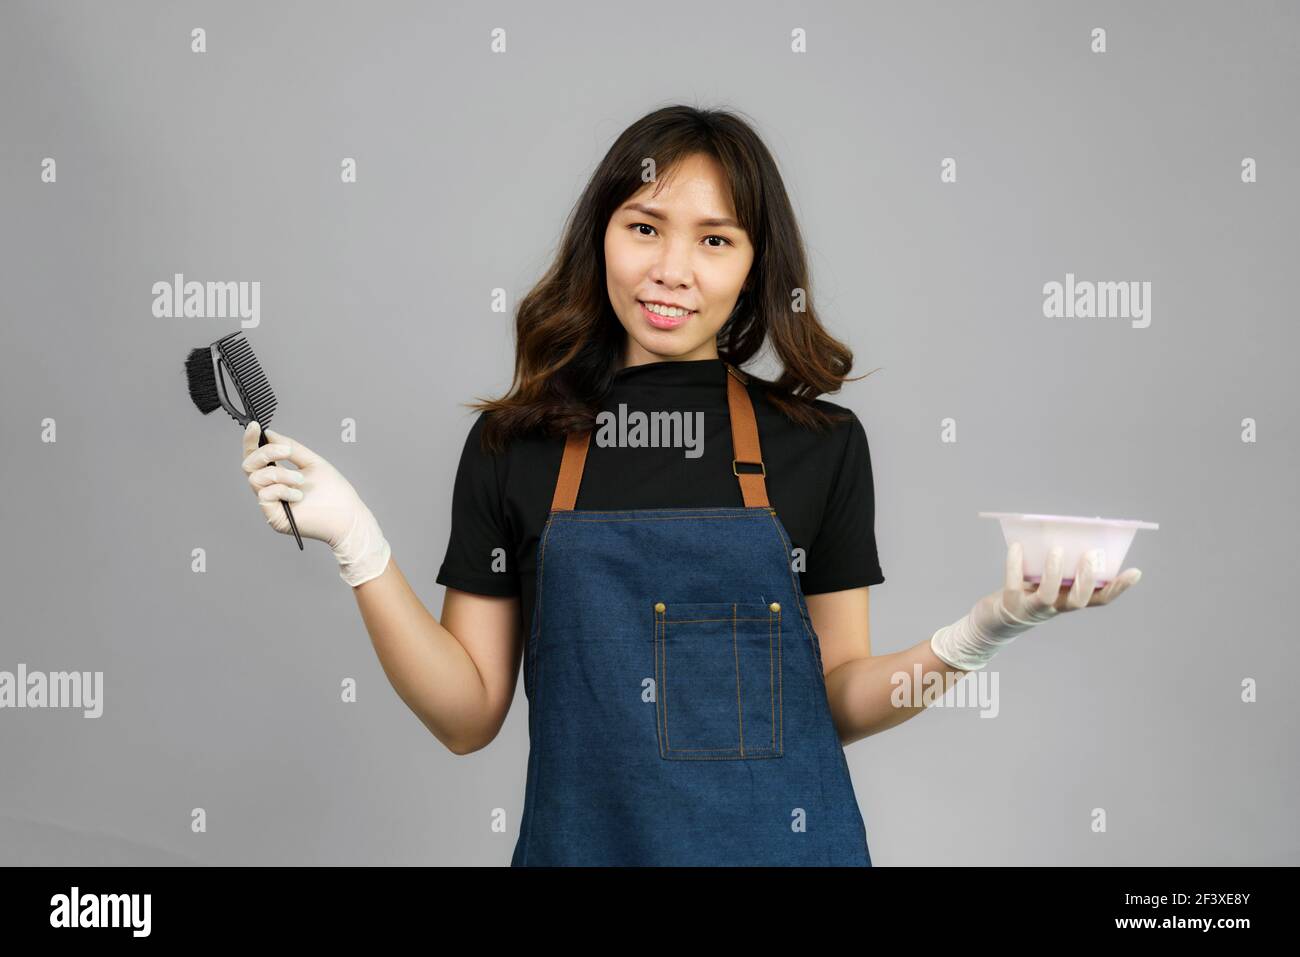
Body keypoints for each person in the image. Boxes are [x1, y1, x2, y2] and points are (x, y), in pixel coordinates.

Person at [237, 105, 1144, 866]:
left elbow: (837, 700)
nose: (672, 270)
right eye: (644, 227)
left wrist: (983, 632)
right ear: (602, 236)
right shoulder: (513, 445)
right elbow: (468, 713)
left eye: (715, 239)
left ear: (756, 266)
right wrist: (360, 546)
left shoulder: (817, 446)